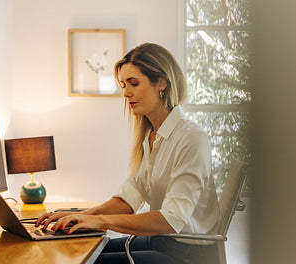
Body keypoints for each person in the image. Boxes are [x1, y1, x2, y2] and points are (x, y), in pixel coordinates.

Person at [35, 43, 219, 263]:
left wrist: (101, 221)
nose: (125, 92)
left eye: (133, 83)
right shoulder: (152, 136)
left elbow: (171, 219)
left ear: (162, 83)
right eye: (123, 84)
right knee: (77, 249)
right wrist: (80, 216)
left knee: (86, 261)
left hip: (187, 253)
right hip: (162, 241)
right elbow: (129, 199)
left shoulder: (191, 137)